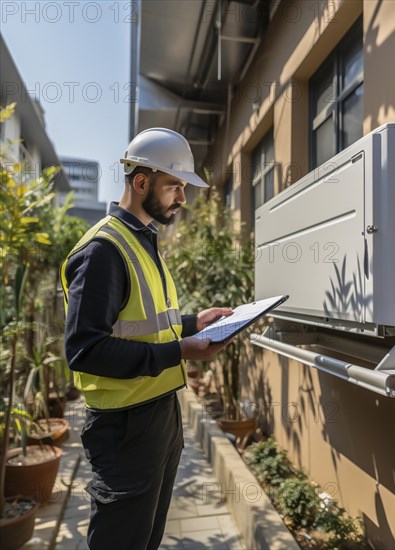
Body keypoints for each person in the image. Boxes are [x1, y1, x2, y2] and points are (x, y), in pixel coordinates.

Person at [60, 128, 232, 550]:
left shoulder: (144, 240)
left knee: (146, 538)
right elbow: (85, 349)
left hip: (159, 415)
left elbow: (144, 323)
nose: (183, 199)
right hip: (124, 426)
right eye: (175, 186)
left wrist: (194, 323)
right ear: (141, 182)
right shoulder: (103, 250)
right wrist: (181, 351)